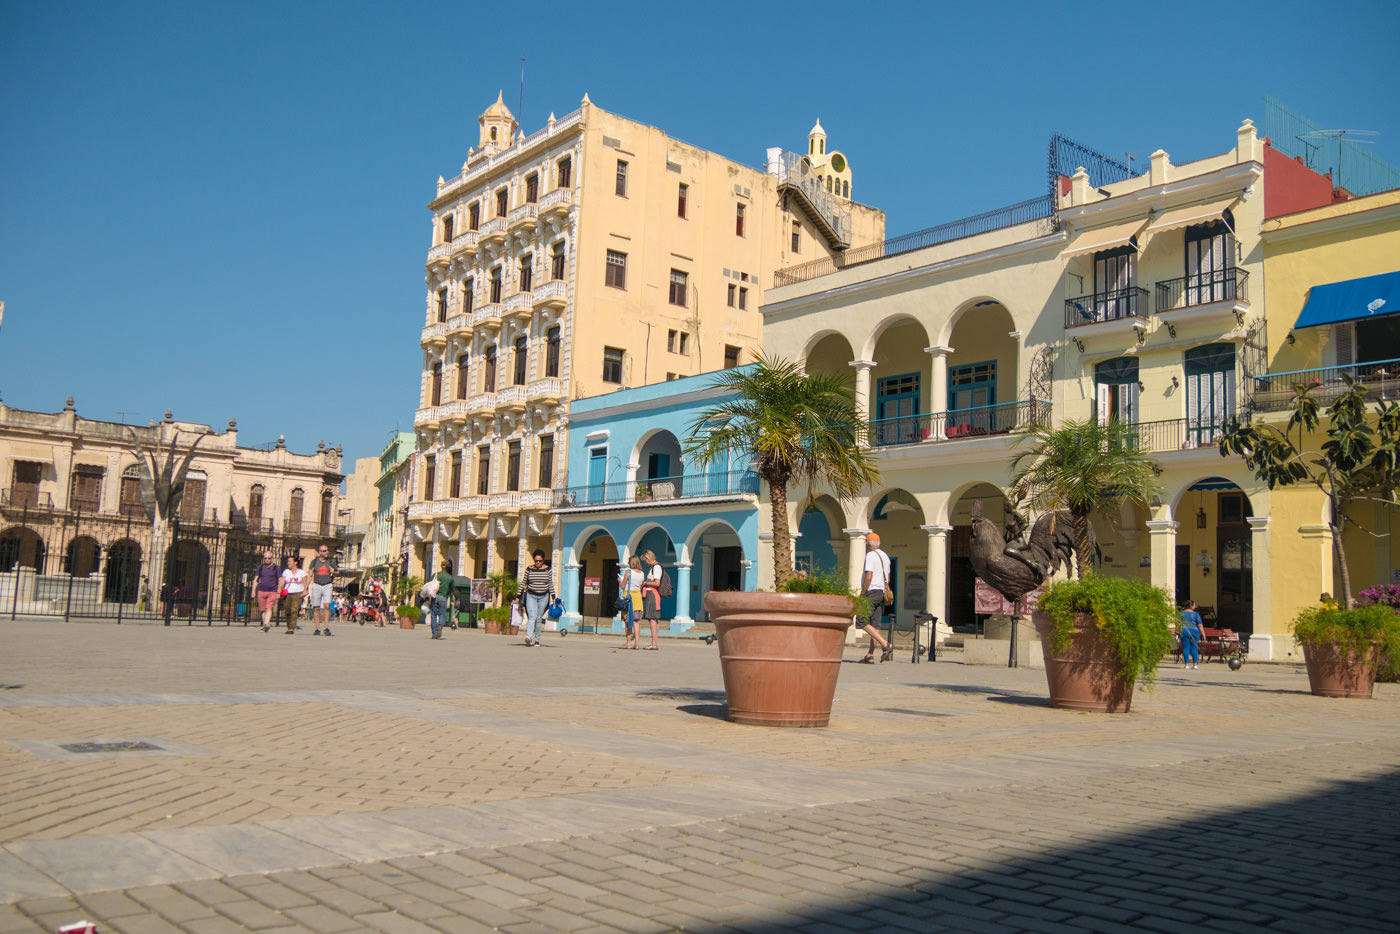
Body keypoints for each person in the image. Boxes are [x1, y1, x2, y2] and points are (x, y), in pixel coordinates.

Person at [858, 533, 895, 663]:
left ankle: (885, 644)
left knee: (861, 621)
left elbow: (869, 576)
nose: (866, 545)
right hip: (881, 592)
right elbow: (888, 578)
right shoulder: (885, 556)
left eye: (866, 542)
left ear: (869, 543)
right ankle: (870, 655)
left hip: (871, 591)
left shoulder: (870, 556)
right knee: (875, 624)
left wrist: (863, 592)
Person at [519, 549, 553, 647]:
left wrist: (553, 597)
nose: (538, 563)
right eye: (536, 561)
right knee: (532, 617)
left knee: (538, 619)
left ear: (543, 560)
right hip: (531, 595)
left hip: (544, 596)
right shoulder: (529, 569)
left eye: (540, 561)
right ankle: (529, 637)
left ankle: (537, 640)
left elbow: (550, 584)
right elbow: (523, 583)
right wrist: (518, 596)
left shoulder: (548, 569)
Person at [308, 545, 338, 636]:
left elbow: (337, 572)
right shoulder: (314, 562)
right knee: (316, 607)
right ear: (320, 552)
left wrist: (333, 571)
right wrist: (306, 587)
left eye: (327, 550)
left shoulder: (331, 561)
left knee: (327, 606)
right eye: (324, 551)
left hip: (327, 585)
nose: (327, 552)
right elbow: (310, 575)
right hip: (317, 584)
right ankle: (317, 628)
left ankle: (326, 628)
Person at [618, 556, 644, 649]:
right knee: (636, 622)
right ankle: (636, 644)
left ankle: (628, 643)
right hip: (637, 598)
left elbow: (623, 586)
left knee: (627, 622)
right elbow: (640, 586)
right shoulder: (642, 573)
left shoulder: (628, 572)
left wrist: (620, 581)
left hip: (628, 598)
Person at [253, 550, 281, 632]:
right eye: (265, 558)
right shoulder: (260, 567)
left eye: (269, 558)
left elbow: (280, 579)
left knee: (269, 607)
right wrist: (253, 590)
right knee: (262, 609)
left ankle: (266, 624)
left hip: (272, 590)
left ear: (271, 558)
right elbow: (256, 579)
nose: (267, 560)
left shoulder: (276, 567)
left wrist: (279, 589)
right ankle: (265, 624)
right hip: (261, 590)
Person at [640, 549, 663, 650]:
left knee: (652, 619)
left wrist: (645, 583)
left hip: (652, 594)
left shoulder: (656, 568)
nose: (645, 562)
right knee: (654, 619)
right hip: (652, 594)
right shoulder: (654, 568)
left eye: (645, 560)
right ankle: (654, 642)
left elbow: (657, 583)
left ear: (648, 558)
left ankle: (653, 643)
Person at [280, 555, 308, 634]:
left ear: (295, 562)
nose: (288, 563)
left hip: (297, 593)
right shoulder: (286, 571)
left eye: (290, 561)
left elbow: (305, 582)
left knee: (294, 610)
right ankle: (289, 625)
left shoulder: (301, 572)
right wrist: (279, 589)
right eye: (288, 561)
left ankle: (291, 628)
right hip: (287, 593)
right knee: (287, 610)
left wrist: (305, 590)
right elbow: (282, 581)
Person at [429, 560, 455, 640]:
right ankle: (440, 625)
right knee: (442, 614)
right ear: (448, 567)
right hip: (443, 598)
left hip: (434, 597)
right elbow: (453, 589)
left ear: (441, 566)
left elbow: (430, 586)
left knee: (433, 615)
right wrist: (457, 599)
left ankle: (434, 634)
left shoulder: (435, 575)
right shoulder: (450, 578)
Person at [1180, 600, 1204, 670]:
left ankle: (1186, 664)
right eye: (1194, 605)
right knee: (1194, 648)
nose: (1195, 606)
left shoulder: (1181, 613)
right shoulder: (1196, 614)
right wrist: (1203, 634)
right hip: (1194, 632)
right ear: (1191, 606)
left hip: (1184, 631)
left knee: (1186, 648)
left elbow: (1178, 623)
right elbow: (1200, 625)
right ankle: (1195, 664)